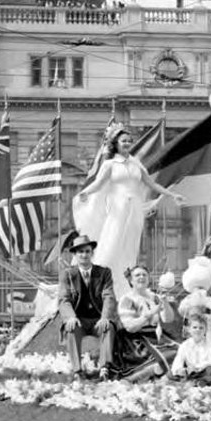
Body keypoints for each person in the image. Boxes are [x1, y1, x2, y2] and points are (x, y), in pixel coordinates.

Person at [72, 127, 185, 299]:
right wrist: (86, 192)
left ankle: (124, 286)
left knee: (130, 247)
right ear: (116, 144)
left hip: (135, 209)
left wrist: (171, 194)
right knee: (112, 243)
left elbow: (151, 184)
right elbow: (100, 183)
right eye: (123, 140)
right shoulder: (109, 164)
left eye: (129, 141)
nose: (127, 143)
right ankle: (98, 284)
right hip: (118, 208)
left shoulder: (136, 164)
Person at [58, 235, 118, 379]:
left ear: (92, 253)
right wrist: (70, 317)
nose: (84, 255)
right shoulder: (67, 274)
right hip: (79, 320)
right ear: (75, 254)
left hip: (98, 319)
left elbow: (109, 296)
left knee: (108, 327)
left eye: (87, 251)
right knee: (70, 328)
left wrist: (105, 317)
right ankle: (77, 370)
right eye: (80, 252)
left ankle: (104, 368)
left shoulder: (104, 273)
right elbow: (64, 299)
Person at [110, 265, 169, 382]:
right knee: (163, 359)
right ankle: (143, 375)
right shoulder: (127, 299)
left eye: (144, 275)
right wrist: (148, 315)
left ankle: (159, 373)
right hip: (135, 341)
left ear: (148, 278)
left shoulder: (154, 296)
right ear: (131, 280)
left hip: (154, 336)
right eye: (137, 275)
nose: (141, 277)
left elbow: (167, 319)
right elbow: (130, 327)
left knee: (177, 351)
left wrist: (165, 303)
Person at [170, 311, 211, 385]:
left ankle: (201, 382)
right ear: (189, 329)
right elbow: (179, 360)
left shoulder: (210, 343)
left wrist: (198, 368)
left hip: (204, 371)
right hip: (190, 373)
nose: (198, 330)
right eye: (195, 327)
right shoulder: (185, 345)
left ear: (205, 330)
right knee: (171, 373)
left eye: (201, 328)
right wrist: (179, 370)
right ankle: (194, 382)